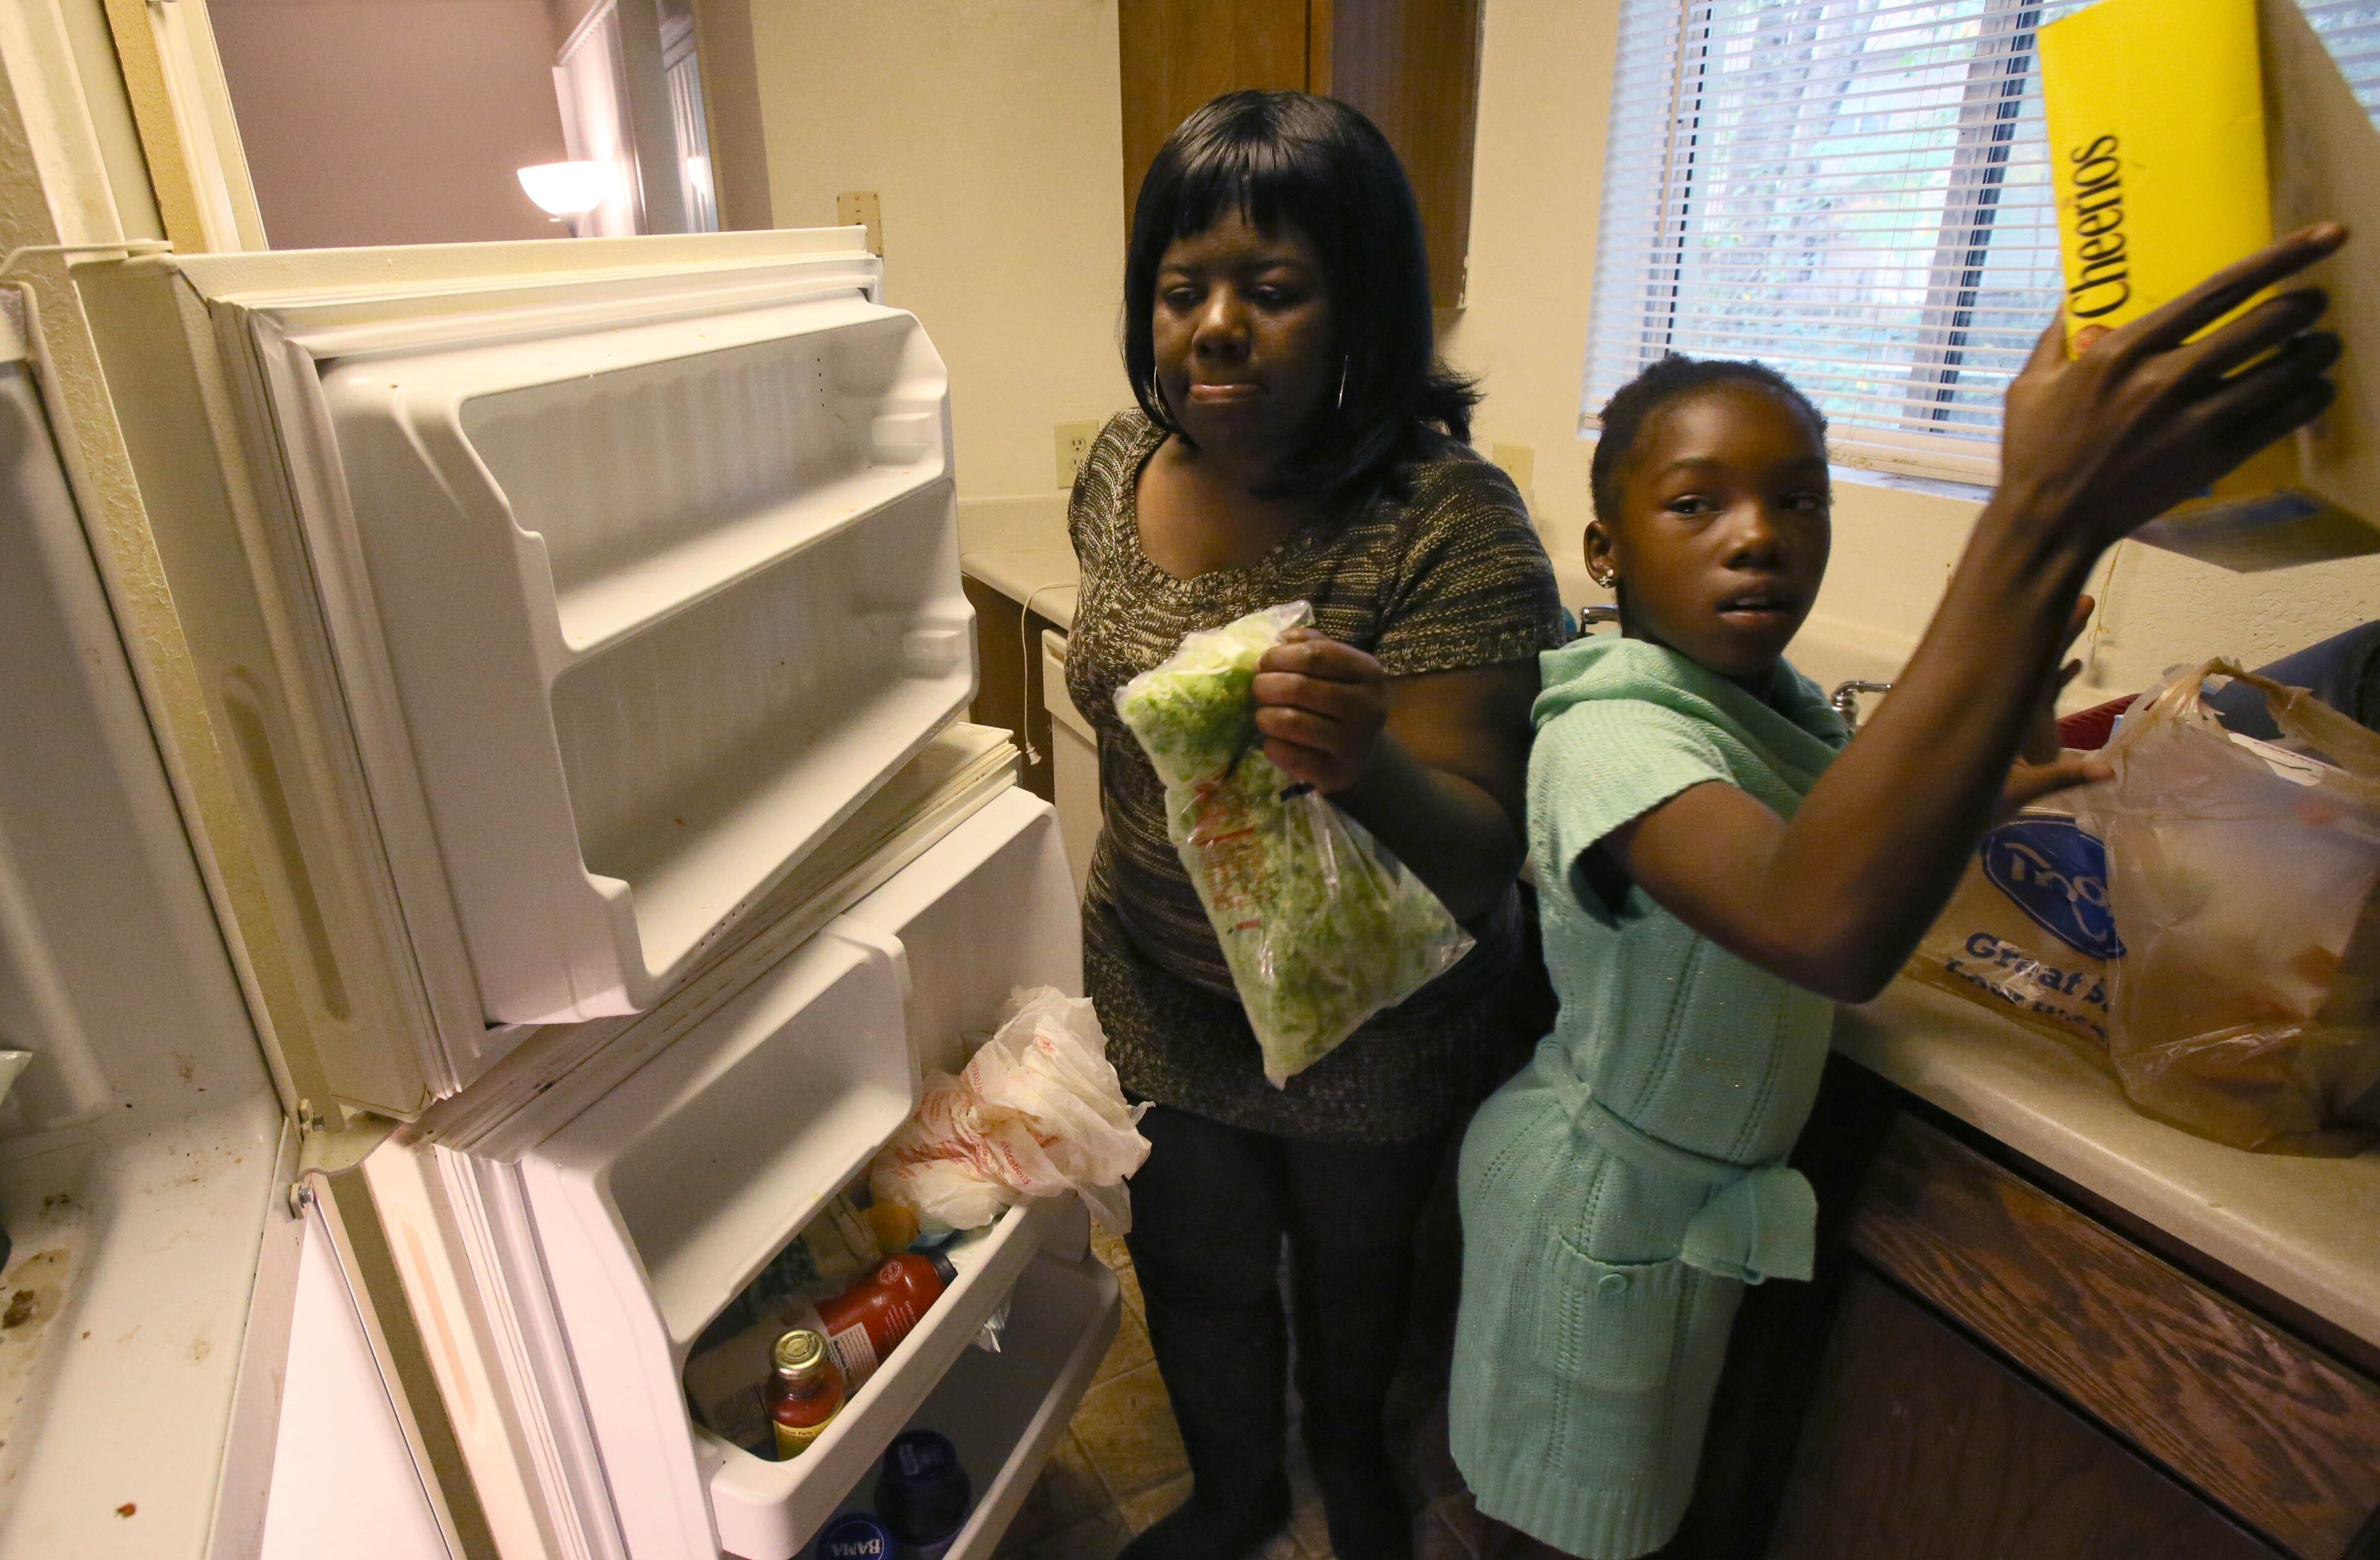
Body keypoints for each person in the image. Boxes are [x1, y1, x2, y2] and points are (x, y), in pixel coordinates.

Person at [1448, 225, 2349, 1560]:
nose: (1757, 536)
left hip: (1679, 1221)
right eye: (1696, 504)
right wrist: (2038, 511)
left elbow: (1838, 819)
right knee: (1553, 1528)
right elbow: (1818, 917)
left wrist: (1998, 780)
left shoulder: (1766, 704)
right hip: (1593, 1215)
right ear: (1605, 548)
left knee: (1627, 1514)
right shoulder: (1610, 734)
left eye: (1796, 499)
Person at [1062, 90, 1567, 1560]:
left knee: (1356, 1268)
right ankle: (1232, 1491)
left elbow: (1481, 850)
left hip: (1378, 1018)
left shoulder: (1448, 522)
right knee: (1196, 1257)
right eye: (1182, 289)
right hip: (1164, 986)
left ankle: (1352, 1460)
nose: (1216, 325)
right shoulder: (1117, 464)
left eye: (1273, 290)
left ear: (1362, 309)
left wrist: (1366, 760)